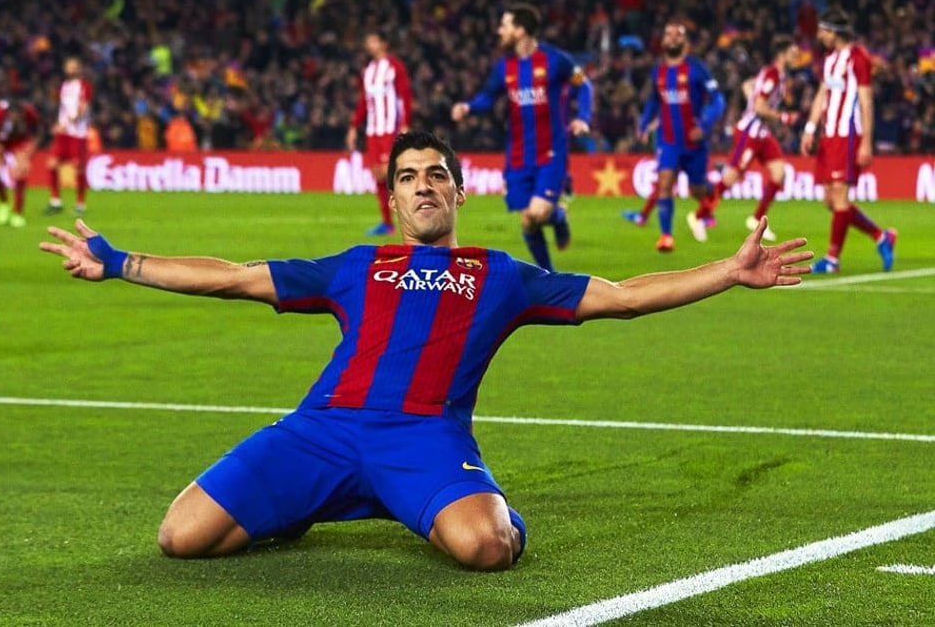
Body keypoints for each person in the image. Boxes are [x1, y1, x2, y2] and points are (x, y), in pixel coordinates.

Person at [40, 131, 812, 572]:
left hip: (425, 437)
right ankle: (305, 504)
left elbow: (626, 295)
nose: (423, 186)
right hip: (325, 427)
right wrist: (121, 263)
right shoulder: (358, 265)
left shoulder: (501, 276)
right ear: (393, 197)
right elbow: (237, 279)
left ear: (457, 192)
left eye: (436, 174)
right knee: (181, 539)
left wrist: (729, 272)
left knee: (488, 550)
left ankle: (476, 502)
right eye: (408, 177)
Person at [451, 3, 592, 271]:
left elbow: (583, 85)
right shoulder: (505, 67)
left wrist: (583, 117)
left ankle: (558, 217)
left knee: (539, 213)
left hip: (551, 152)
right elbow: (489, 96)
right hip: (518, 154)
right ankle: (549, 273)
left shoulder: (555, 60)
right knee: (528, 220)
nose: (499, 30)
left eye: (504, 25)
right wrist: (468, 106)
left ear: (520, 30)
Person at [799, 8, 896, 273]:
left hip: (848, 134)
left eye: (822, 30)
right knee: (831, 201)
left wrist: (866, 141)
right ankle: (881, 235)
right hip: (828, 135)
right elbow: (823, 94)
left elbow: (865, 100)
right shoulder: (830, 59)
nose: (819, 35)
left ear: (833, 32)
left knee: (840, 197)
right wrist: (809, 128)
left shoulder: (858, 58)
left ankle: (832, 259)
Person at [690, 35, 802, 243]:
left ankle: (757, 218)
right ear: (782, 54)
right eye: (792, 51)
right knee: (730, 178)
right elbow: (759, 107)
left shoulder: (773, 74)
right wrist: (782, 116)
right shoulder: (773, 75)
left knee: (779, 173)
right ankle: (699, 216)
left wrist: (753, 95)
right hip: (749, 133)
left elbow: (747, 85)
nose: (796, 55)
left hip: (761, 134)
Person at [625, 21, 725, 252]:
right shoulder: (658, 70)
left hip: (695, 140)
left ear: (684, 42)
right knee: (665, 183)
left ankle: (710, 197)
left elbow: (718, 100)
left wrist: (706, 124)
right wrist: (643, 123)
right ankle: (666, 236)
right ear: (662, 41)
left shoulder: (697, 69)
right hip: (668, 140)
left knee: (697, 189)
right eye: (667, 34)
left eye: (677, 35)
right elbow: (653, 100)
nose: (671, 38)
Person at [346, 30, 413, 236]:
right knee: (378, 176)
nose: (370, 45)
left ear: (384, 43)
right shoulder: (368, 71)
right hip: (373, 131)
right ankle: (387, 223)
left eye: (374, 41)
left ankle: (409, 220)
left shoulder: (394, 67)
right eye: (369, 41)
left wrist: (405, 123)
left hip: (389, 129)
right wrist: (353, 126)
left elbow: (406, 96)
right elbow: (363, 102)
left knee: (392, 174)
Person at [45, 56, 94, 217]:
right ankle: (55, 201)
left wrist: (66, 123)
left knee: (78, 168)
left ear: (79, 69)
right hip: (63, 134)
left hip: (78, 133)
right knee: (52, 164)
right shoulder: (64, 86)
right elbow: (62, 108)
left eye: (74, 66)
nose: (70, 69)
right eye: (68, 66)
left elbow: (83, 108)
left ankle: (80, 203)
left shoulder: (84, 86)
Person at [0, 98, 41, 228]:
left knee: (21, 172)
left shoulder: (29, 113)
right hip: (1, 142)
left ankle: (17, 213)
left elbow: (38, 131)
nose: (15, 118)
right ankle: (3, 203)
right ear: (8, 114)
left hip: (20, 141)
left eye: (18, 116)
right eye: (12, 116)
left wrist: (31, 149)